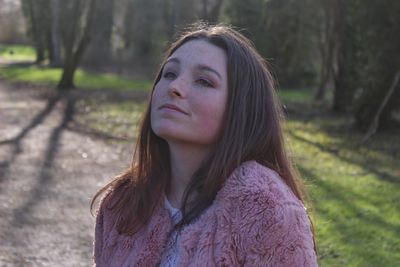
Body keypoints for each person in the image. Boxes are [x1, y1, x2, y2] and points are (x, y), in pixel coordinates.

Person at [92, 24, 318, 267]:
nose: (174, 87)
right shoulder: (123, 202)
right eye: (169, 74)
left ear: (240, 108)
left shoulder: (266, 209)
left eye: (203, 81)